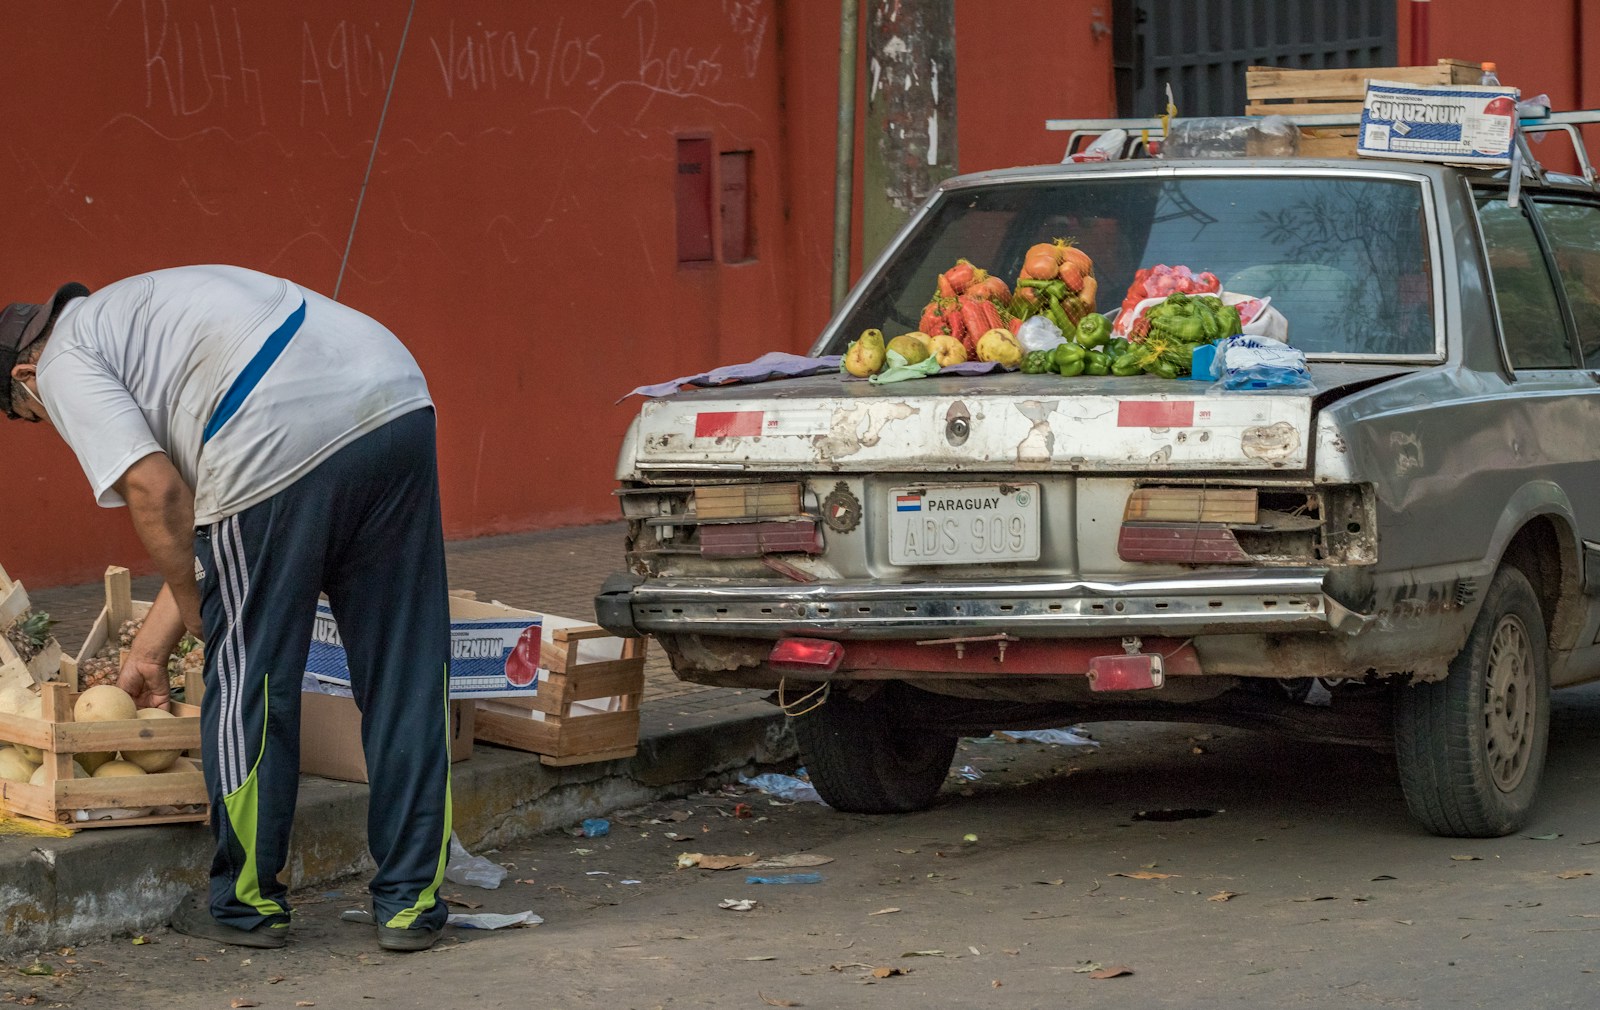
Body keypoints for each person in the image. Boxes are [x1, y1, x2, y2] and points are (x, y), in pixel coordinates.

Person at [0, 266, 454, 952]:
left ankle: (247, 905)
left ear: (25, 377)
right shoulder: (137, 312)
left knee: (251, 677)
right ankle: (412, 902)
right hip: (395, 400)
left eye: (27, 415)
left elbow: (158, 494)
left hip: (272, 429)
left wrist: (203, 608)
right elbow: (191, 522)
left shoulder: (62, 363)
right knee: (406, 667)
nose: (45, 423)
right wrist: (149, 652)